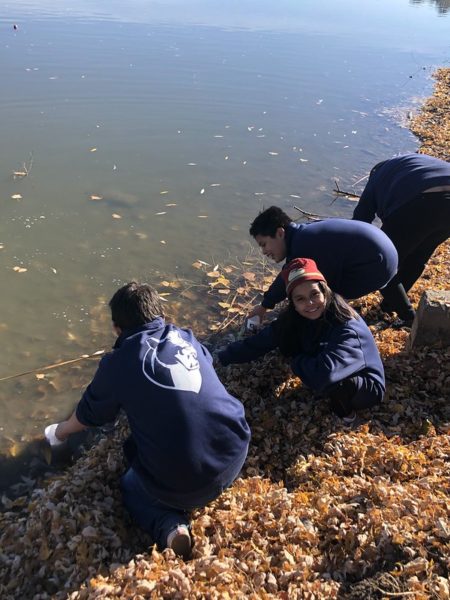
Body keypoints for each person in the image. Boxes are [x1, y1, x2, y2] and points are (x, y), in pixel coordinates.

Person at [44, 282, 250, 559]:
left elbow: (89, 415)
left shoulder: (117, 363)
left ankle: (170, 526)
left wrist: (60, 432)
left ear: (117, 328)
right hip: (235, 450)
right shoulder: (186, 337)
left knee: (131, 485)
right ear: (161, 315)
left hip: (191, 482)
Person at [219, 258, 385, 422]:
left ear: (325, 291)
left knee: (336, 386)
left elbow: (324, 374)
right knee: (286, 336)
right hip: (328, 361)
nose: (310, 303)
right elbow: (260, 342)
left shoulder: (348, 327)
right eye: (301, 299)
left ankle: (349, 418)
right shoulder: (296, 316)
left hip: (364, 387)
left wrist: (297, 362)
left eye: (314, 294)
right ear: (293, 303)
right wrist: (221, 358)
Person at [247, 206, 398, 323]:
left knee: (318, 297)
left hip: (376, 266)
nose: (264, 252)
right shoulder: (304, 233)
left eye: (264, 244)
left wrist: (264, 306)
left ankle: (334, 330)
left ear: (280, 233)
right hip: (388, 257)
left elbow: (286, 278)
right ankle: (407, 313)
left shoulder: (303, 244)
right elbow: (287, 274)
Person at [352, 153, 450, 323]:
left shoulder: (376, 178)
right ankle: (389, 307)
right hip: (439, 197)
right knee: (417, 258)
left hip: (423, 200)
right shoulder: (408, 163)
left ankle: (409, 318)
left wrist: (353, 257)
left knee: (382, 266)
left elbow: (360, 223)